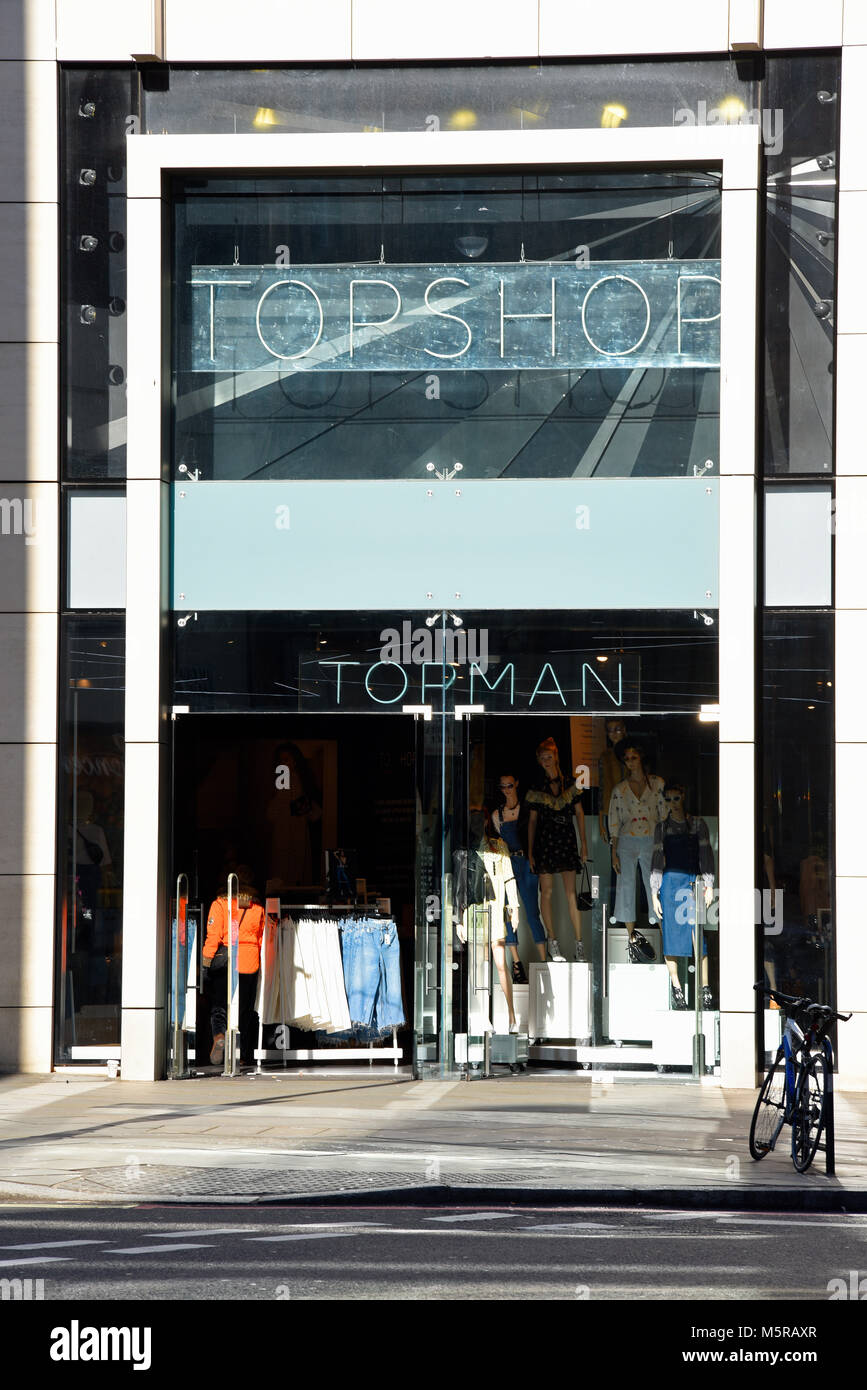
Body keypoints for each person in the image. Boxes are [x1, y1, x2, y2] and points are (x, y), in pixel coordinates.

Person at [650, 783, 715, 1009]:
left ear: (683, 797)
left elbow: (706, 855)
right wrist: (654, 894)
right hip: (669, 885)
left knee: (699, 937)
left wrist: (709, 886)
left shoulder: (697, 824)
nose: (672, 804)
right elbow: (657, 861)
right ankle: (676, 988)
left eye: (675, 798)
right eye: (668, 800)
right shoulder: (662, 827)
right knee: (671, 937)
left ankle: (705, 989)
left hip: (692, 883)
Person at [492, 769, 561, 976]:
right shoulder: (498, 814)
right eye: (502, 786)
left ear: (517, 784)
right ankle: (516, 961)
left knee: (532, 910)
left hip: (526, 861)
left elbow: (536, 837)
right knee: (508, 911)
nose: (506, 790)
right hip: (507, 864)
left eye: (509, 785)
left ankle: (542, 958)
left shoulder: (526, 809)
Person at [526, 737, 589, 962]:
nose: (546, 761)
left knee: (571, 894)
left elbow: (580, 813)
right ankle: (552, 941)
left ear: (556, 757)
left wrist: (584, 844)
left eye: (549, 756)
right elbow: (532, 821)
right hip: (544, 841)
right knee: (547, 893)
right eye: (542, 758)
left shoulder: (570, 783)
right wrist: (530, 851)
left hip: (565, 840)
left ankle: (579, 943)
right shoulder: (536, 786)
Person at [201, 866, 265, 1068]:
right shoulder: (257, 907)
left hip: (227, 958)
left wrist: (205, 962)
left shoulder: (220, 904)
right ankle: (246, 1054)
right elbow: (261, 937)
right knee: (246, 1010)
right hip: (249, 961)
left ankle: (219, 1036)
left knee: (220, 1005)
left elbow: (213, 937)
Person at [608, 742, 665, 958]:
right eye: (627, 759)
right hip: (627, 841)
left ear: (641, 757)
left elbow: (663, 815)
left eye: (633, 757)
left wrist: (664, 847)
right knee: (626, 886)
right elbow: (614, 820)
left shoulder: (657, 784)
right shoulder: (620, 789)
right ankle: (631, 938)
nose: (630, 762)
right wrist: (613, 851)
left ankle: (663, 933)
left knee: (654, 886)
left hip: (651, 839)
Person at [477, 810, 520, 1033]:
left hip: (494, 910)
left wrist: (514, 907)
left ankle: (512, 1016)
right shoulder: (469, 849)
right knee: (482, 967)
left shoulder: (498, 845)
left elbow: (509, 877)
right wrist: (460, 921)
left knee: (500, 965)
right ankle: (484, 1016)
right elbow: (460, 885)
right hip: (476, 911)